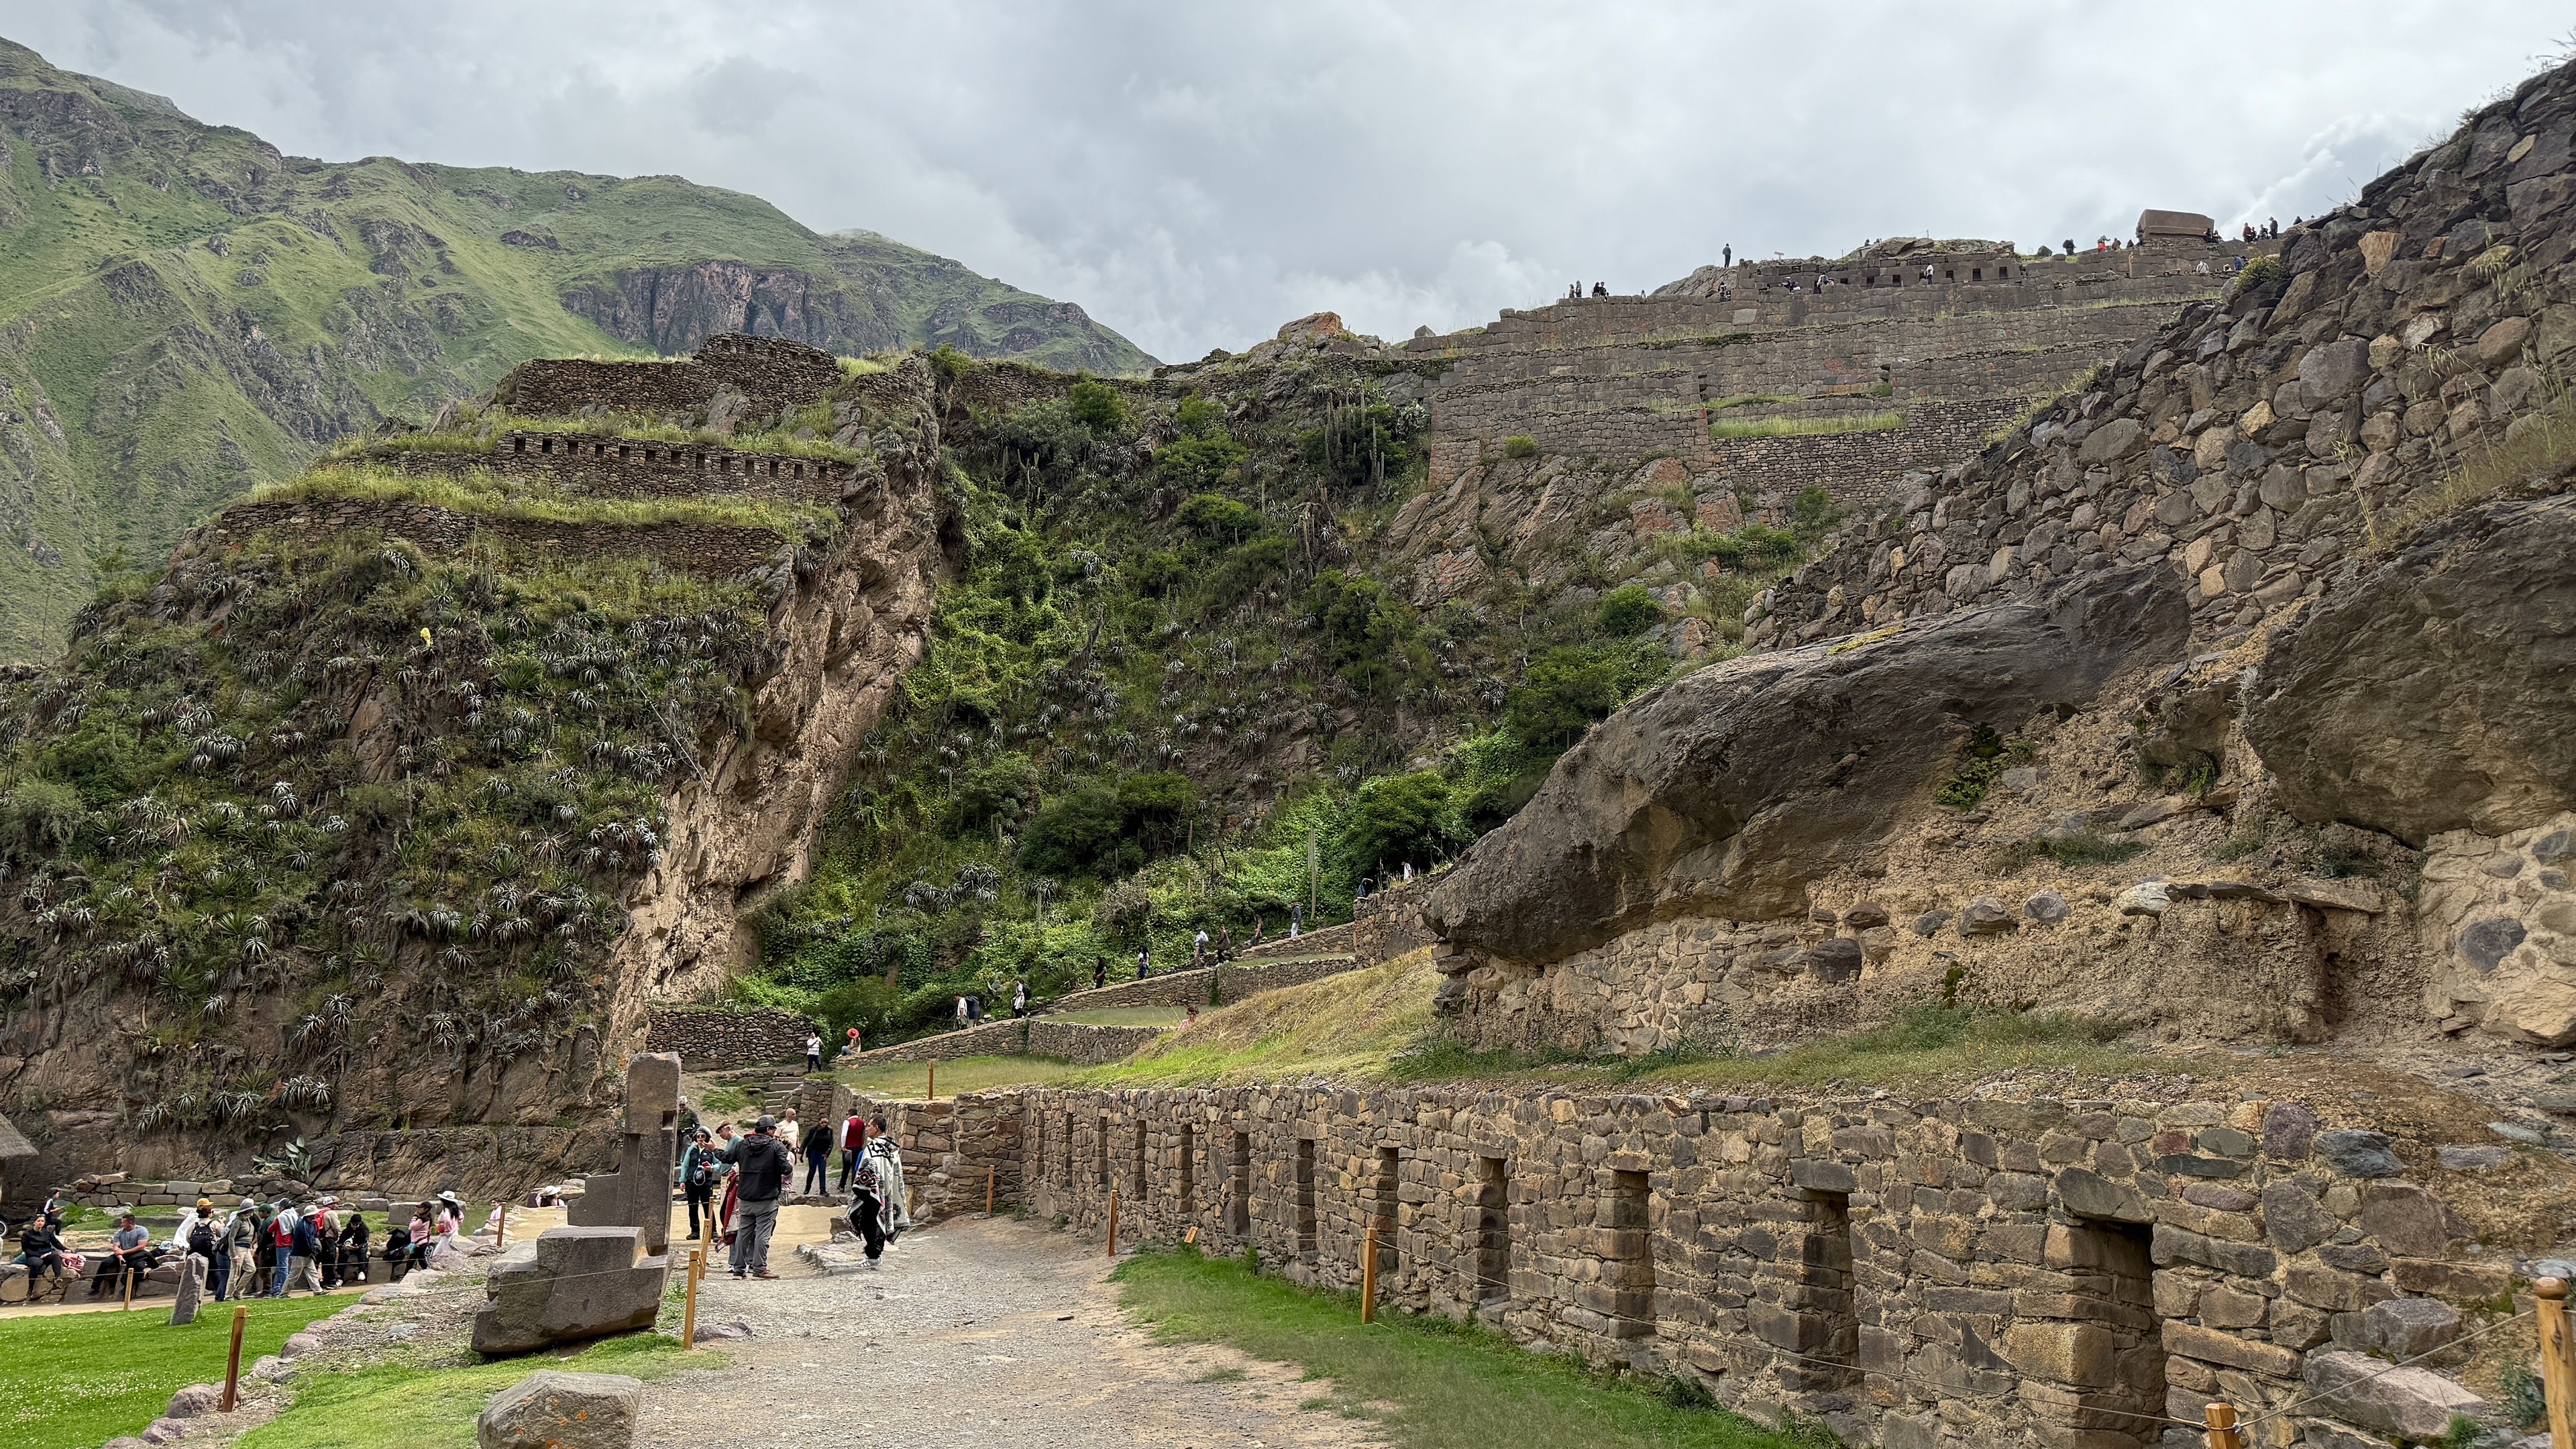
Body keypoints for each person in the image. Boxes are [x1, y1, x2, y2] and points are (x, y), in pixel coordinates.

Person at [722, 1114, 793, 1279]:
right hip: (767, 1198)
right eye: (774, 1128)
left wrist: (713, 1150)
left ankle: (738, 1269)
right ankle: (759, 1268)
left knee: (743, 1233)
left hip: (746, 1197)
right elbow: (786, 1169)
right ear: (769, 1130)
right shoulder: (776, 1146)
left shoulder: (743, 1145)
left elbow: (727, 1158)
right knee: (762, 1234)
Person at [181, 1199, 225, 1301]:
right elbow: (223, 1235)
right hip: (210, 1252)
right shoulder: (214, 1224)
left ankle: (192, 1296)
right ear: (210, 1214)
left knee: (197, 1274)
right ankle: (219, 1295)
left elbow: (188, 1238)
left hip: (196, 1253)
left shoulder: (194, 1225)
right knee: (215, 1272)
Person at [682, 1128, 722, 1239]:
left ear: (707, 1137)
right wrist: (682, 1180)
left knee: (708, 1206)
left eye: (702, 1136)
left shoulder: (710, 1151)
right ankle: (695, 1231)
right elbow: (685, 1165)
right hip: (691, 1182)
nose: (700, 1139)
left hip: (705, 1182)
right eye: (698, 1136)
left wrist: (712, 1168)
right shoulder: (691, 1149)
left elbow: (719, 1163)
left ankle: (713, 1231)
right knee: (693, 1207)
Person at [800, 1115, 834, 1195]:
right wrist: (801, 1152)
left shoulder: (829, 1130)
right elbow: (806, 1140)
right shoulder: (813, 1130)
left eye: (826, 1122)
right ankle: (807, 1188)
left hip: (823, 1153)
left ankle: (823, 1189)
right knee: (812, 1170)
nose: (824, 1124)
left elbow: (831, 1143)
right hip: (813, 1152)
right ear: (819, 1122)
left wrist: (827, 1153)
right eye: (822, 1123)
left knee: (822, 1170)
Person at [337, 1210, 370, 1287]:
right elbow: (339, 1242)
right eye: (353, 1224)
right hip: (349, 1248)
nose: (355, 1226)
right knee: (344, 1254)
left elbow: (366, 1242)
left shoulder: (364, 1231)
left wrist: (358, 1247)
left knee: (362, 1251)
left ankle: (361, 1271)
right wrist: (344, 1246)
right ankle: (340, 1277)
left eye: (357, 1225)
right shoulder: (346, 1231)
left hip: (359, 1248)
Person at [838, 1110, 869, 1193]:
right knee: (856, 1167)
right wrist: (861, 1144)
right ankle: (854, 1185)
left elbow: (844, 1135)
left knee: (846, 1167)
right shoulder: (862, 1123)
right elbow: (863, 1136)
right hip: (858, 1147)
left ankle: (842, 1185)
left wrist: (843, 1146)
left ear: (849, 1114)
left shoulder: (847, 1122)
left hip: (848, 1148)